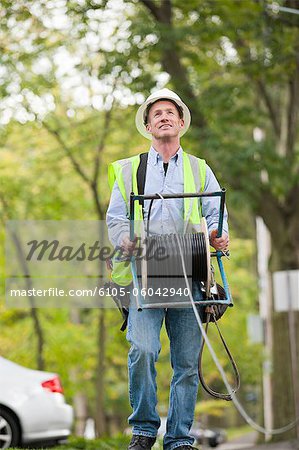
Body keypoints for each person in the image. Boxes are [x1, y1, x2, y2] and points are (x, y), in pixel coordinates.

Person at [106, 88, 229, 450]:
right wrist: (124, 240)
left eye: (169, 112)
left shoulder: (198, 168)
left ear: (180, 123)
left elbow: (215, 216)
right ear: (147, 124)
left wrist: (218, 235)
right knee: (142, 350)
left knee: (186, 363)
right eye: (156, 112)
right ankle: (144, 430)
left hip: (190, 275)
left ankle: (178, 438)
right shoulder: (129, 171)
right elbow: (115, 219)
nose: (163, 116)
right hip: (144, 276)